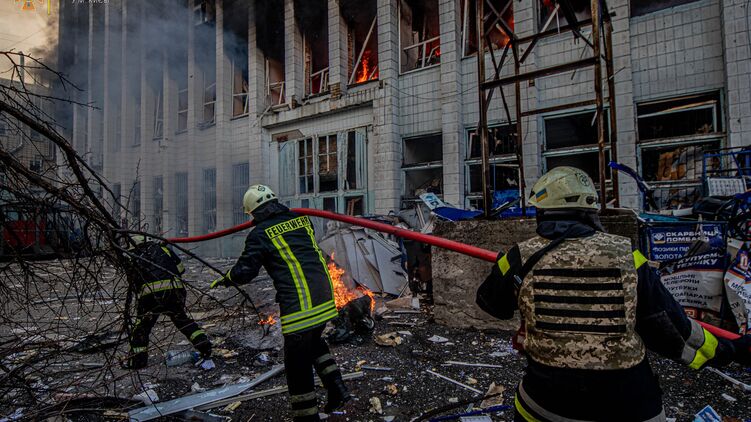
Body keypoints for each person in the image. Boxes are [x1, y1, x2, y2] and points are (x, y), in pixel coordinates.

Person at [476, 166, 751, 422]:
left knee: (526, 403)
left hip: (548, 403)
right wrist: (730, 350)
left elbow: (491, 304)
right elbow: (669, 325)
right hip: (629, 404)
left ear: (542, 212)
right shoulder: (627, 254)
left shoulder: (519, 256)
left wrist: (509, 274)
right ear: (591, 212)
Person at [211, 185, 350, 421]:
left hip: (300, 304)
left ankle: (307, 417)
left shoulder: (260, 234)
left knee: (297, 365)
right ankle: (337, 387)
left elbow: (245, 271)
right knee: (314, 343)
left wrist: (227, 278)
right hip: (324, 296)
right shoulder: (301, 220)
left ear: (253, 212)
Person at [124, 235, 214, 370]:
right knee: (182, 320)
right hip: (175, 291)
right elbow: (181, 268)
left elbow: (133, 281)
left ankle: (138, 361)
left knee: (142, 328)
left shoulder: (133, 256)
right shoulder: (163, 249)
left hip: (151, 295)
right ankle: (204, 346)